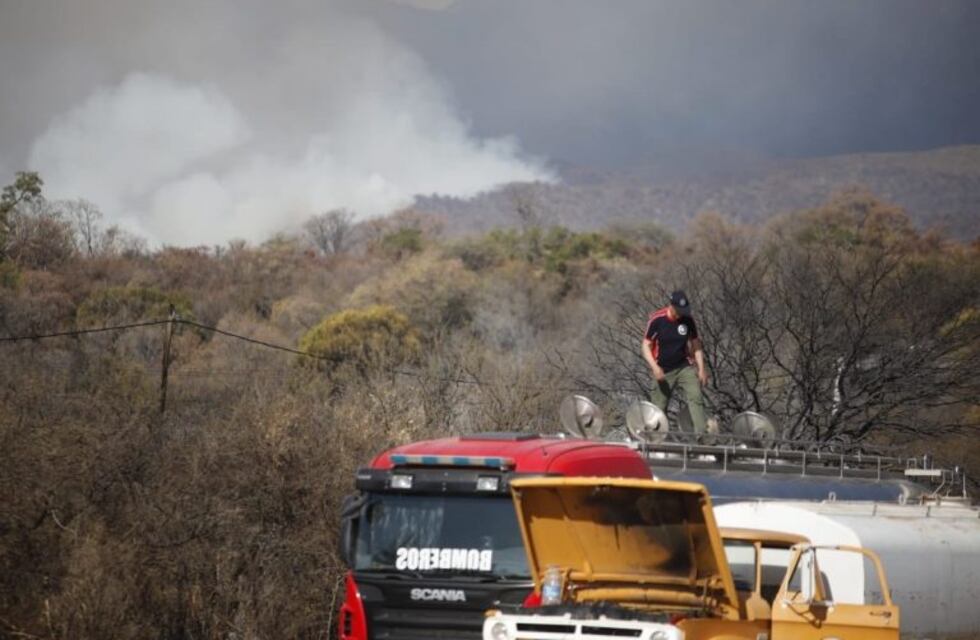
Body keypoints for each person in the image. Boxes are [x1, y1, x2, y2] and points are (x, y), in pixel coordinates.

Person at [641, 289, 708, 433]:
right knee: (659, 406)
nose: (681, 313)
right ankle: (658, 439)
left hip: (684, 366)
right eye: (678, 310)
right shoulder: (657, 320)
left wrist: (701, 368)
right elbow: (646, 345)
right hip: (663, 369)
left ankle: (703, 437)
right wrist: (654, 367)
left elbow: (696, 344)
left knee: (696, 396)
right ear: (671, 306)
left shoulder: (688, 320)